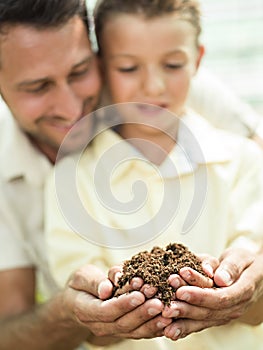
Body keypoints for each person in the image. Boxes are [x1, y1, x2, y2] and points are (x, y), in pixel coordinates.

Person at [0, 0, 262, 348]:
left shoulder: (229, 143)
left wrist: (250, 289)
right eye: (37, 87)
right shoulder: (67, 178)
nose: (153, 87)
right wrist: (77, 311)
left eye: (79, 72)